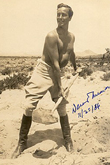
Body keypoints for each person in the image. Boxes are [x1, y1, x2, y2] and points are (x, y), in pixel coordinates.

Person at [12, 3, 77, 158]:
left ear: (70, 17)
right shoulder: (51, 36)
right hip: (44, 72)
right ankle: (22, 143)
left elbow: (70, 52)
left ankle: (68, 140)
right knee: (29, 106)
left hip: (57, 73)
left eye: (63, 14)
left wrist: (75, 67)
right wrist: (60, 86)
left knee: (61, 108)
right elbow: (55, 64)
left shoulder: (71, 36)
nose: (60, 17)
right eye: (58, 14)